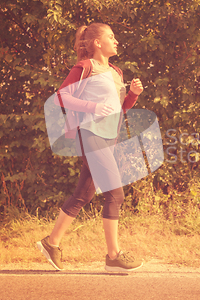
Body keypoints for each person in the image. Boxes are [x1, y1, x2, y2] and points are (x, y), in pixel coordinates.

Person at [36, 22, 144, 272]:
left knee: (83, 195)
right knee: (115, 195)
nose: (116, 41)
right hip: (91, 134)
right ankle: (113, 256)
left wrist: (133, 95)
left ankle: (51, 243)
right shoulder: (86, 67)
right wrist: (92, 108)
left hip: (108, 137)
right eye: (111, 37)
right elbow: (61, 96)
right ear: (97, 43)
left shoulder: (116, 71)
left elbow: (119, 109)